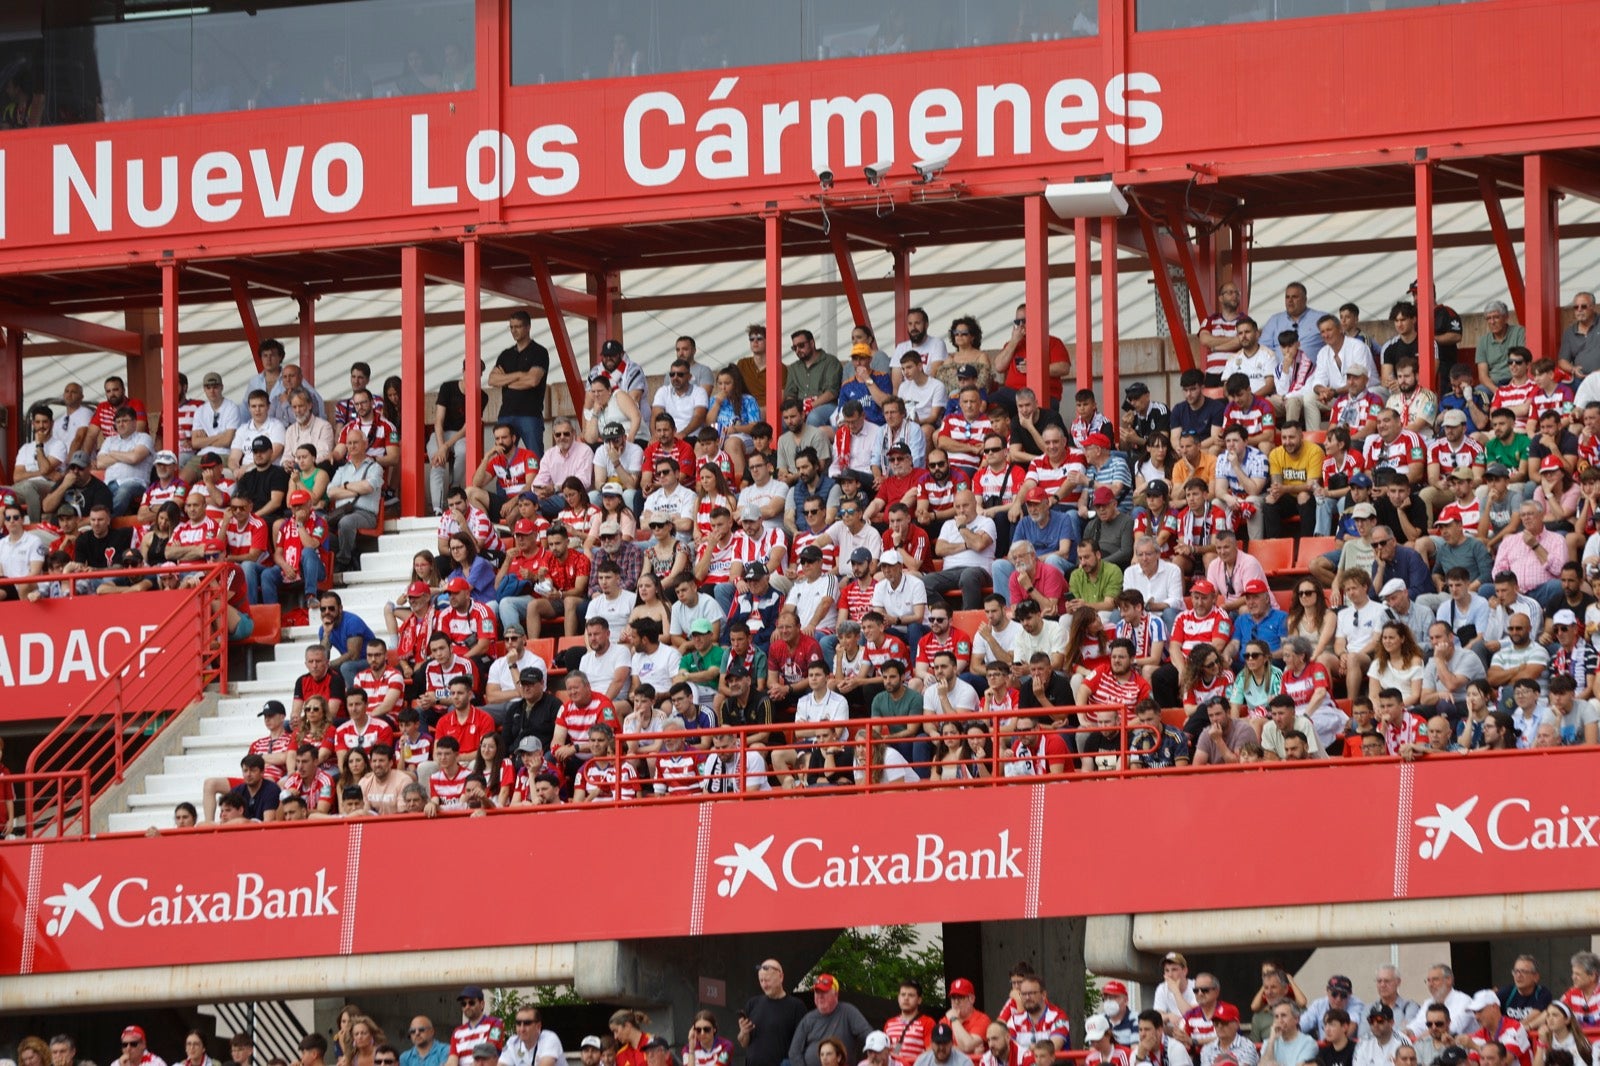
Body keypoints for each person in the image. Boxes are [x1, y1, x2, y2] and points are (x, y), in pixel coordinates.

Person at [489, 310, 551, 456]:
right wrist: (518, 375)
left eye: (518, 326)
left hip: (530, 413)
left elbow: (533, 380)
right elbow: (492, 380)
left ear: (528, 327)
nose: (514, 331)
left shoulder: (539, 352)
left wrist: (506, 380)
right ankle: (503, 481)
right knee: (503, 456)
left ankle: (537, 480)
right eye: (511, 327)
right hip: (506, 413)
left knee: (534, 457)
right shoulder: (506, 354)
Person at [791, 974, 874, 1066]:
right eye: (817, 992)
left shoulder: (848, 1012)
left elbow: (869, 1036)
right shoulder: (808, 1019)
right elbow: (794, 1052)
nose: (820, 996)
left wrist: (873, 1059)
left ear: (836, 994)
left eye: (824, 992)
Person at [741, 960, 810, 1066]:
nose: (764, 985)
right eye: (761, 981)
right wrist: (743, 1032)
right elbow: (744, 1043)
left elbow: (803, 1044)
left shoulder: (796, 1006)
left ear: (781, 977)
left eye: (767, 980)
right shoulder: (752, 1003)